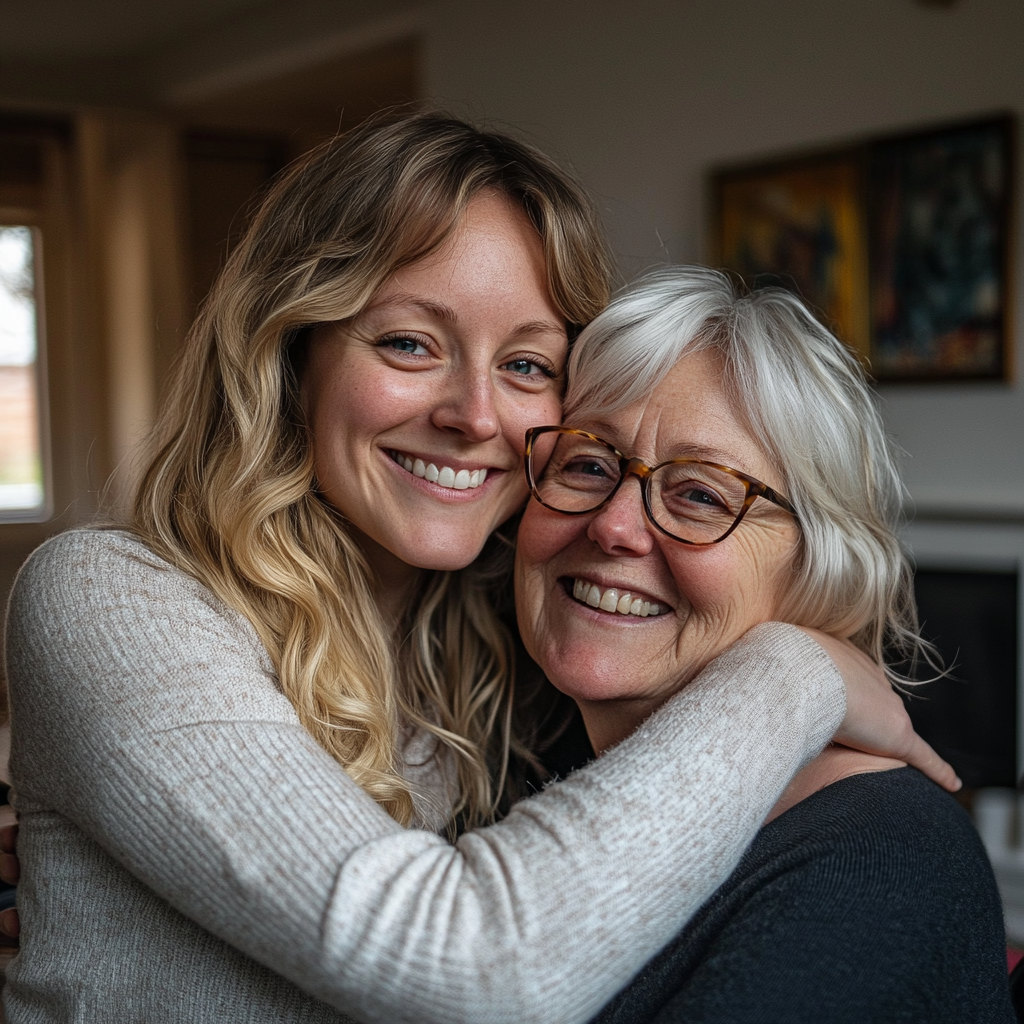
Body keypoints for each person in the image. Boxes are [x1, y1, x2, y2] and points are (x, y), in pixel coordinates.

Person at [1, 113, 953, 1023]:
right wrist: (798, 670)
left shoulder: (517, 659)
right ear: (290, 356)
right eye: (410, 343)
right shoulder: (108, 596)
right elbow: (470, 965)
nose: (476, 415)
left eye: (530, 366)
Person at [514, 266, 1013, 1023]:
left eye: (701, 494)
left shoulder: (875, 864)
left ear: (816, 564)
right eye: (587, 464)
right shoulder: (519, 764)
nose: (614, 525)